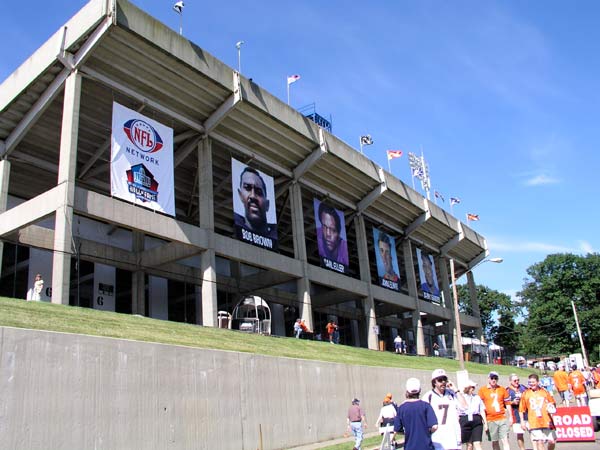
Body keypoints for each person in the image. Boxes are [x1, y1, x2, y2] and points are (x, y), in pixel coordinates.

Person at [423, 368, 462, 450]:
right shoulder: (428, 397)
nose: (443, 382)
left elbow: (465, 407)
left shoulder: (451, 394)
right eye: (440, 380)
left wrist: (455, 390)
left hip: (453, 437)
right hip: (437, 438)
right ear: (434, 382)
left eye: (445, 379)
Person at [394, 377, 438, 450]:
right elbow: (435, 426)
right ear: (420, 390)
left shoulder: (401, 408)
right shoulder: (426, 406)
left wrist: (408, 432)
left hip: (410, 447)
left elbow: (397, 429)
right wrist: (427, 432)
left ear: (407, 391)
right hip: (426, 447)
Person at [234, 166, 277, 239]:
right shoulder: (238, 223)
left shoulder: (274, 235)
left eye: (259, 192)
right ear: (240, 195)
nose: (253, 196)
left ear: (267, 205)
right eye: (247, 188)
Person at [519, 373, 557, 450]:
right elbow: (521, 409)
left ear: (538, 382)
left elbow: (552, 403)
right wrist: (522, 421)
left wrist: (551, 407)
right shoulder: (526, 393)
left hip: (546, 420)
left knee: (552, 441)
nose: (531, 384)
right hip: (534, 421)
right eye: (530, 382)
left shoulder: (544, 392)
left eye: (533, 382)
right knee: (540, 441)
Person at [478, 371, 511, 450]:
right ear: (488, 379)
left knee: (505, 440)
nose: (494, 380)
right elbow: (480, 406)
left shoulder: (502, 389)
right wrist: (484, 421)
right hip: (490, 419)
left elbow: (508, 404)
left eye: (495, 378)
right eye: (492, 378)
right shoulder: (482, 390)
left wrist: (510, 417)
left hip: (502, 418)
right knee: (495, 441)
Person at [456, 380, 486, 450]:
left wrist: (485, 423)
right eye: (472, 387)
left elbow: (482, 410)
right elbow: (457, 411)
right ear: (467, 388)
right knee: (469, 444)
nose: (473, 389)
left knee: (477, 443)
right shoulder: (460, 397)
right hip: (465, 420)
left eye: (473, 387)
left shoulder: (477, 397)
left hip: (476, 420)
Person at [507, 374, 527, 450]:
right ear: (510, 381)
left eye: (518, 380)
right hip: (516, 415)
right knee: (520, 434)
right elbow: (505, 403)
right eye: (515, 380)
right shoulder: (508, 390)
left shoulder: (523, 387)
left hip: (527, 414)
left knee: (533, 433)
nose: (517, 382)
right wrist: (513, 402)